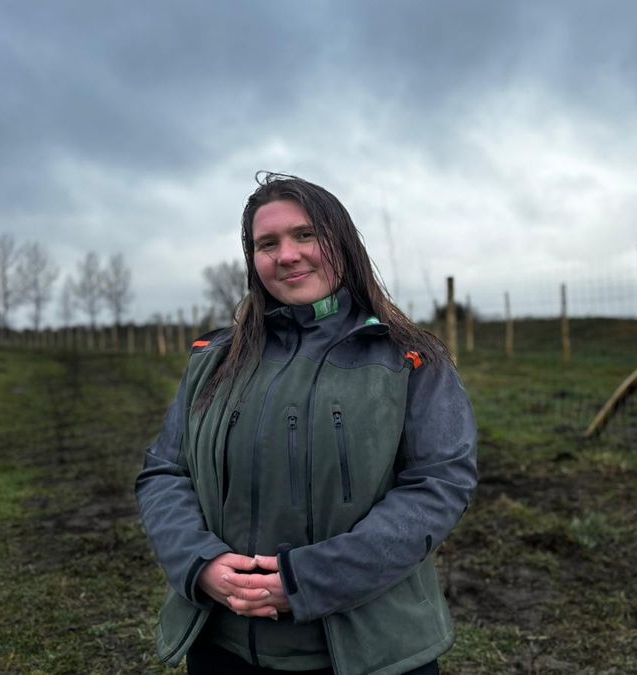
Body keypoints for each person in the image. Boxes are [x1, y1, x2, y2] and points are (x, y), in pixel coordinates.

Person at [136, 173, 477, 675]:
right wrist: (199, 563)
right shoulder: (214, 359)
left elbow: (437, 486)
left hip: (370, 653)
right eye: (266, 243)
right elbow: (165, 471)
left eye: (305, 235)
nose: (287, 255)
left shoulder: (410, 360)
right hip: (223, 646)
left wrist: (309, 580)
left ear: (341, 241)